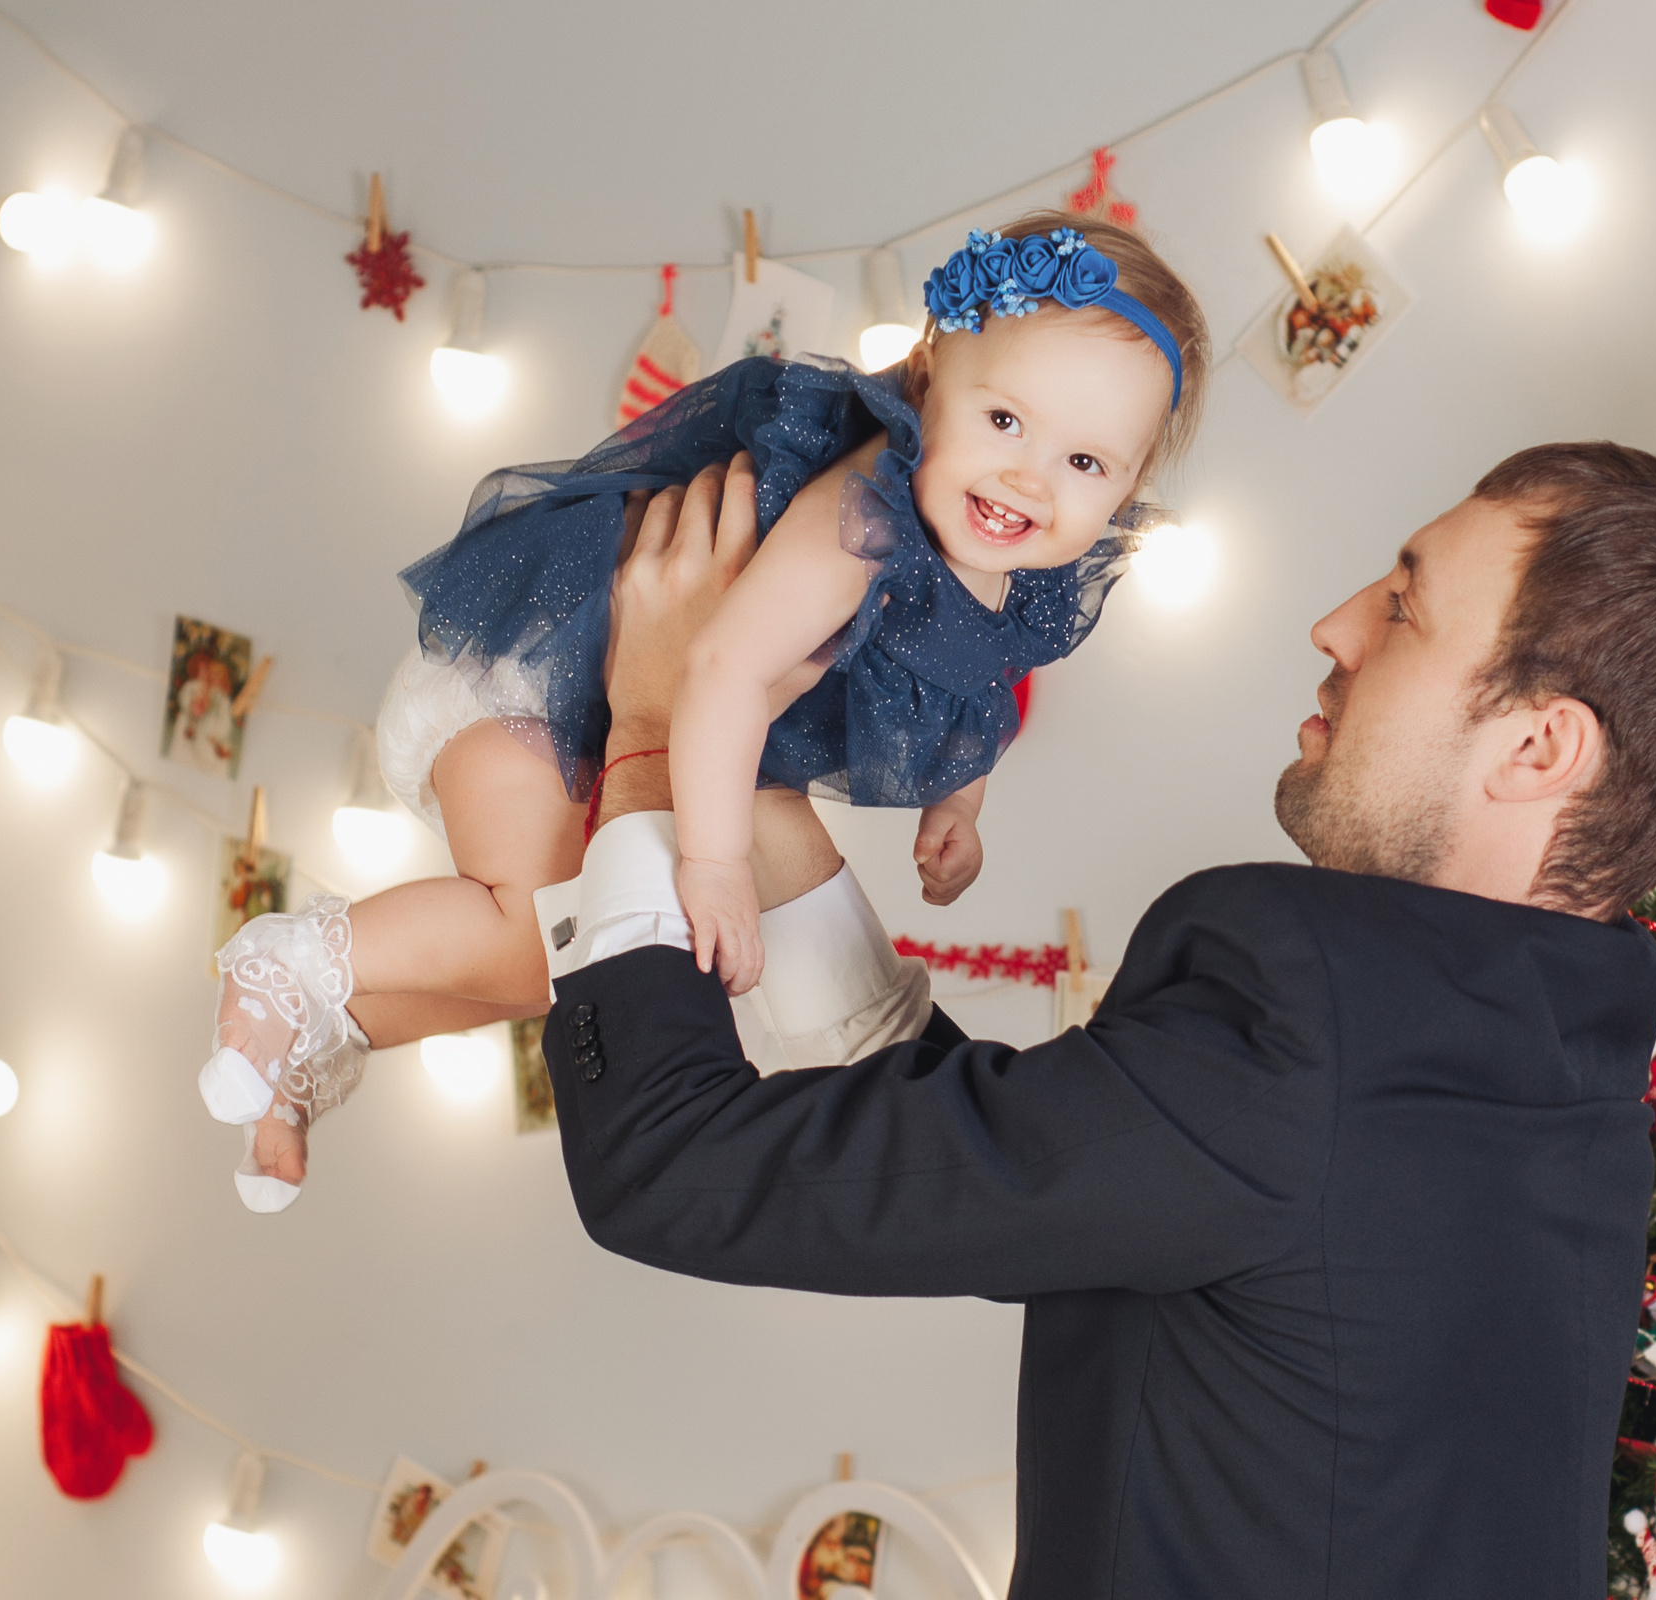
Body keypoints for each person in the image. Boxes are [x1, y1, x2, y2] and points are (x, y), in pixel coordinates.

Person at [538, 439, 1656, 1600]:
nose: (1335, 626)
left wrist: (651, 727)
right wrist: (749, 796)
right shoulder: (1558, 1060)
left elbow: (667, 1159)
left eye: (1405, 606)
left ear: (1539, 748)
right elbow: (1045, 1175)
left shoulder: (1311, 1008)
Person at [192, 212, 1209, 1211]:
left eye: (1086, 463)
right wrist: (715, 867)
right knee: (544, 939)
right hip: (535, 676)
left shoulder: (1019, 567)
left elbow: (978, 675)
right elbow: (722, 664)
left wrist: (960, 803)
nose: (1029, 478)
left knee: (551, 967)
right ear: (927, 379)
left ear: (1128, 486)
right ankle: (287, 964)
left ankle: (303, 1055)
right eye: (1004, 421)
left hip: (603, 712)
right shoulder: (862, 517)